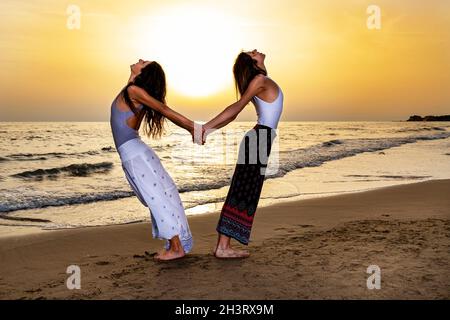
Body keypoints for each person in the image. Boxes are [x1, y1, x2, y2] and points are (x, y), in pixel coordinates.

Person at [110, 59, 198, 261]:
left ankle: (176, 247)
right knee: (160, 195)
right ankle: (174, 244)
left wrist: (193, 127)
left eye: (144, 62)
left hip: (134, 154)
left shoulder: (133, 91)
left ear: (144, 73)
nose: (140, 59)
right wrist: (133, 76)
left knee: (156, 197)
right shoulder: (132, 89)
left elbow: (163, 109)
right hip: (136, 152)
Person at [202, 50, 283, 258]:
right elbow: (236, 108)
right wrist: (206, 128)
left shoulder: (261, 78)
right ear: (252, 62)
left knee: (244, 192)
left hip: (261, 139)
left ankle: (222, 245)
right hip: (259, 139)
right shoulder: (259, 80)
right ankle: (223, 247)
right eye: (251, 52)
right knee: (242, 193)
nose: (256, 50)